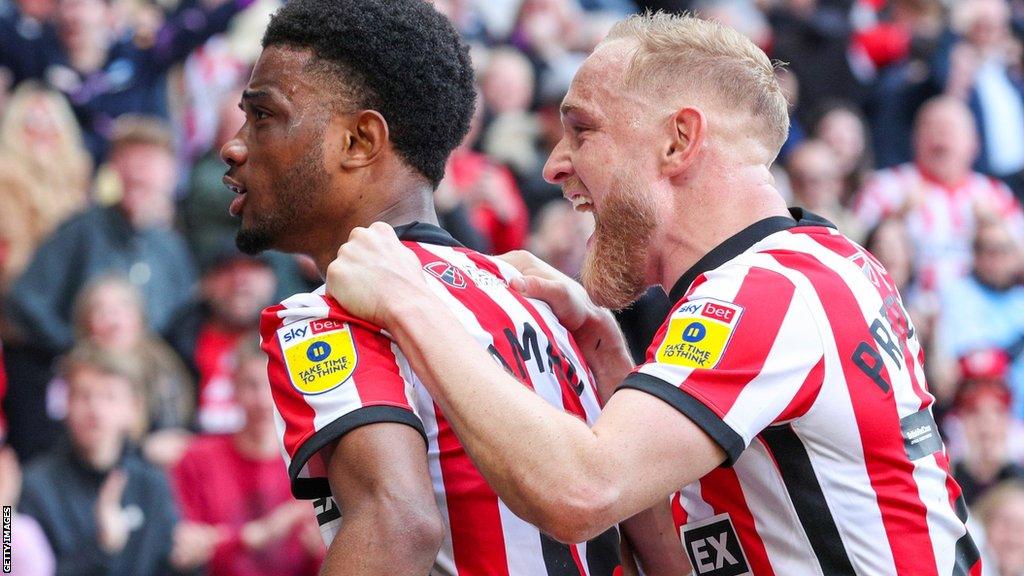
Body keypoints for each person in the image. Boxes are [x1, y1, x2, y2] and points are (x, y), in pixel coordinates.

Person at [325, 12, 981, 574]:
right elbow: (685, 561)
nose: (555, 163)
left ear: (678, 140)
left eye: (582, 130)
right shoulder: (818, 265)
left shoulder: (765, 293)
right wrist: (612, 364)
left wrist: (408, 300)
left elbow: (580, 490)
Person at [222, 0, 651, 573]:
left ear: (359, 141)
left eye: (263, 117)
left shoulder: (330, 314)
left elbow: (398, 525)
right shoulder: (540, 301)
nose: (234, 145)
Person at [17, 344, 189, 576]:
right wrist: (101, 549)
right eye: (84, 395)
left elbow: (171, 564)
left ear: (134, 408)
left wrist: (191, 561)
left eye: (110, 397)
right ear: (65, 404)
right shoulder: (30, 485)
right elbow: (8, 564)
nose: (95, 410)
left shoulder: (154, 485)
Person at [171, 335, 323, 576]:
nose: (263, 401)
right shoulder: (197, 459)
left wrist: (323, 553)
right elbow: (181, 548)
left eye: (272, 385)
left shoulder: (315, 463)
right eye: (251, 385)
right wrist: (253, 535)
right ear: (233, 388)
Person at [854, 96, 1024, 297]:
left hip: (981, 317)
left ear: (974, 143)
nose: (940, 135)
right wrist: (895, 218)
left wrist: (995, 226)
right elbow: (853, 252)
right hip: (903, 311)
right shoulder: (883, 187)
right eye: (930, 127)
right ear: (914, 139)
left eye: (950, 129)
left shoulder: (996, 194)